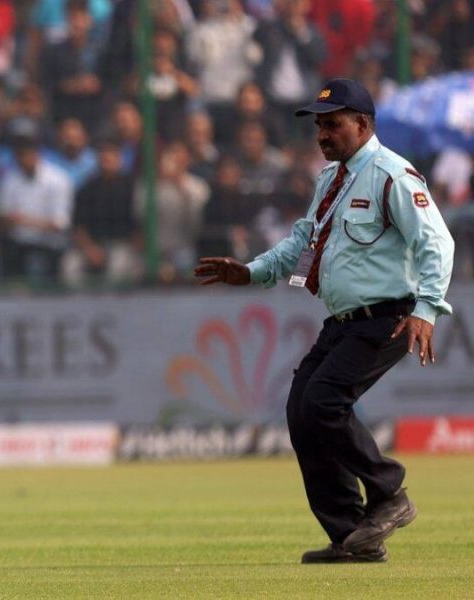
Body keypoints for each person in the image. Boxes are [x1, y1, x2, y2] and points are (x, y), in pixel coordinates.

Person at [194, 79, 455, 564]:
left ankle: (390, 493)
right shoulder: (330, 180)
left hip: (389, 315)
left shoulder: (391, 174)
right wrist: (249, 272)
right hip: (343, 320)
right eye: (319, 125)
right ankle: (353, 535)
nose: (322, 134)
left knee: (323, 401)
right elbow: (299, 246)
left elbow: (437, 243)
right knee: (301, 410)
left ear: (363, 123)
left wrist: (427, 308)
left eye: (332, 124)